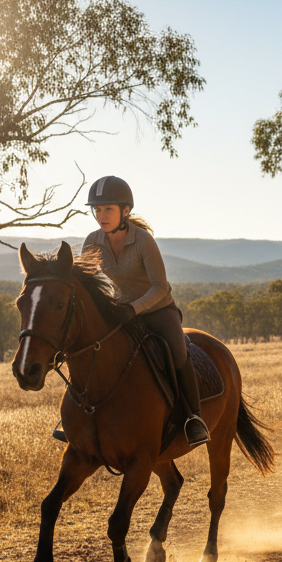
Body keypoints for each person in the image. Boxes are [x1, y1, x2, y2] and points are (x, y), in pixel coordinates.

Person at [83, 175, 210, 446]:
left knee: (177, 354)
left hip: (158, 309)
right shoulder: (92, 242)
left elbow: (160, 287)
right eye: (97, 210)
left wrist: (134, 308)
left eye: (108, 209)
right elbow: (86, 285)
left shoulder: (143, 241)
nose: (101, 216)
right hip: (121, 310)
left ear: (125, 211)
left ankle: (193, 418)